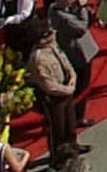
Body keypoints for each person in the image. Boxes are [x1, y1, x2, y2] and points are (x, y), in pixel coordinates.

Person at [28, 24, 81, 159]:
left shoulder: (52, 47)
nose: (53, 36)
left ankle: (73, 146)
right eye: (49, 34)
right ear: (42, 39)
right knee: (58, 127)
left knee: (70, 122)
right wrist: (68, 89)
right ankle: (58, 157)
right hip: (53, 97)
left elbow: (65, 62)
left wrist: (72, 77)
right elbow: (48, 85)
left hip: (65, 89)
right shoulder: (38, 58)